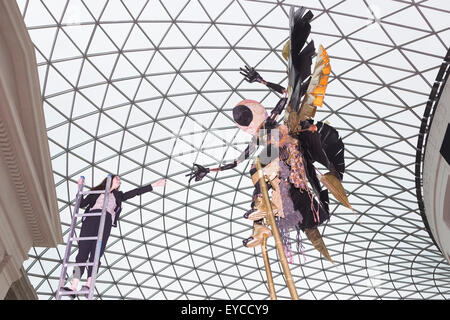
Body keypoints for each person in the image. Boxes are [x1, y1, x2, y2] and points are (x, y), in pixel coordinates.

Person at [62, 175, 166, 298]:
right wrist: (80, 188)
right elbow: (81, 204)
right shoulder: (96, 192)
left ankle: (88, 285)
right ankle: (74, 285)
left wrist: (154, 185)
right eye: (117, 178)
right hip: (91, 219)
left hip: (105, 221)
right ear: (109, 180)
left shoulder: (118, 196)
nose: (119, 181)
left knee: (96, 253)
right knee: (82, 253)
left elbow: (135, 193)